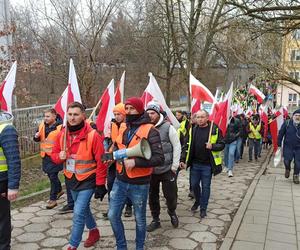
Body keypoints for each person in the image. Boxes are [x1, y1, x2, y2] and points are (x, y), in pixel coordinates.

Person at [107, 97, 164, 250]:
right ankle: (121, 246)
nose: (128, 111)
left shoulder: (150, 130)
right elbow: (120, 147)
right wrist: (111, 157)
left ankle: (140, 246)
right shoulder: (124, 126)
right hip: (120, 180)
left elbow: (159, 158)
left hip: (139, 183)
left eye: (132, 108)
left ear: (140, 110)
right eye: (126, 108)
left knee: (139, 219)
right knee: (112, 215)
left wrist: (136, 162)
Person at [51, 102, 107, 250]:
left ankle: (73, 245)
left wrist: (101, 184)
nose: (72, 118)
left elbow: (102, 162)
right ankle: (94, 231)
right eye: (69, 114)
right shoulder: (62, 134)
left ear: (83, 115)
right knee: (83, 209)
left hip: (88, 180)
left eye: (76, 114)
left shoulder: (93, 136)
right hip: (71, 179)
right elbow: (54, 156)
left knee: (78, 212)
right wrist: (59, 156)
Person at [180, 110, 224, 218]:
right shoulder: (193, 130)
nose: (200, 119)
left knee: (206, 187)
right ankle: (198, 201)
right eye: (198, 117)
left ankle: (203, 208)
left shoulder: (214, 129)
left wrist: (212, 146)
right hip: (195, 164)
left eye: (202, 117)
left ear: (207, 117)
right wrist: (182, 159)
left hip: (207, 165)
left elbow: (222, 144)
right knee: (194, 185)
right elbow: (186, 145)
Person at [146, 102, 181, 232]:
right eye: (148, 113)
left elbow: (176, 146)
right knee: (152, 196)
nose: (150, 115)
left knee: (171, 196)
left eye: (152, 113)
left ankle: (172, 212)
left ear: (158, 113)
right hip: (151, 170)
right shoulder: (144, 128)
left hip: (167, 169)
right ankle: (156, 220)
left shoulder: (168, 127)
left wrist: (174, 166)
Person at [103, 103, 133, 218]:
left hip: (125, 158)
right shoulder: (113, 125)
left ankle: (128, 206)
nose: (116, 116)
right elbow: (112, 142)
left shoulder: (130, 126)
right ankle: (112, 208)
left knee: (127, 185)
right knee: (110, 183)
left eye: (119, 114)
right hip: (113, 159)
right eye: (115, 114)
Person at [34, 108, 64, 209]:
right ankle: (59, 189)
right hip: (45, 155)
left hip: (55, 156)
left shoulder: (61, 127)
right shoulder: (42, 125)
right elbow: (37, 138)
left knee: (52, 176)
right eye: (45, 116)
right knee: (51, 175)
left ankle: (53, 199)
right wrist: (36, 136)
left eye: (48, 116)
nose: (45, 118)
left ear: (54, 116)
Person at [0, 111, 21, 250]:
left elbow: (13, 159)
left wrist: (13, 186)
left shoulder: (6, 129)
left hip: (1, 181)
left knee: (2, 221)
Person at [278, 109, 300, 184]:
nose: (297, 117)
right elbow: (281, 133)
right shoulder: (287, 123)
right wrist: (278, 143)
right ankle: (288, 169)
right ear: (293, 116)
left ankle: (296, 175)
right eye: (296, 115)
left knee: (298, 163)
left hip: (298, 148)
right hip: (288, 146)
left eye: (299, 116)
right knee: (286, 161)